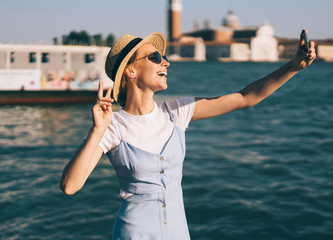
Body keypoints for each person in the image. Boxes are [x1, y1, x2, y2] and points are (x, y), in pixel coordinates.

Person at [60, 31, 316, 239]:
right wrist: (97, 130)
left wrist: (293, 67)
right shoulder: (113, 126)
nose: (165, 62)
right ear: (130, 71)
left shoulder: (176, 111)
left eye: (164, 56)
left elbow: (245, 97)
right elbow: (70, 186)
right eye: (155, 57)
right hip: (134, 233)